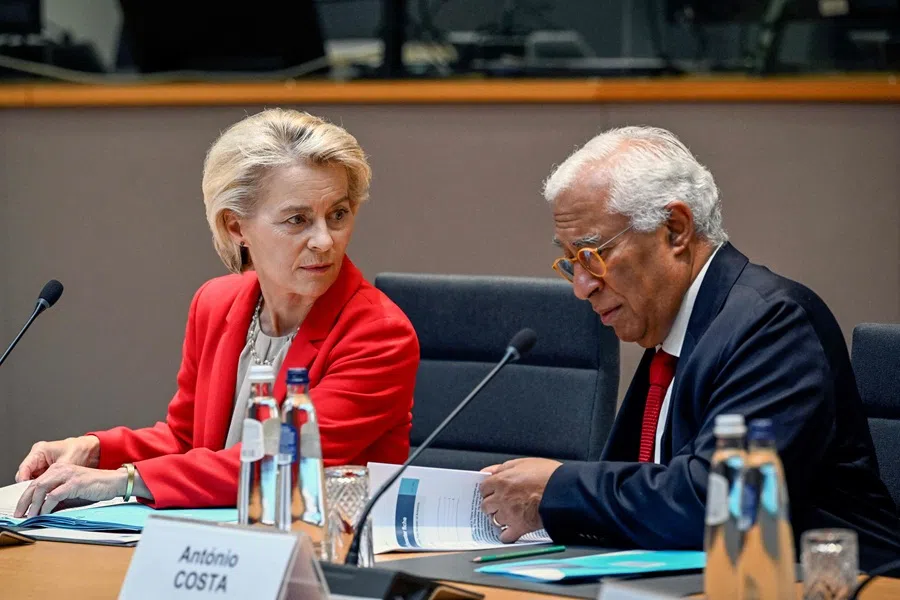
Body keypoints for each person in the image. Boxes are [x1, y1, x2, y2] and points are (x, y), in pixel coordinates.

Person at [480, 126, 900, 569]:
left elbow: (717, 506)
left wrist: (556, 489)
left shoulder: (771, 323)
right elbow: (642, 489)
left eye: (591, 255)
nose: (581, 287)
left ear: (675, 230)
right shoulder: (675, 330)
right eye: (571, 262)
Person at [14, 109, 419, 516]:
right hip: (214, 547)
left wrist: (125, 479)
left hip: (322, 552)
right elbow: (186, 440)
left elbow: (281, 463)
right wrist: (93, 449)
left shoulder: (379, 334)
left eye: (338, 214)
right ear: (235, 227)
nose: (324, 240)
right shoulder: (216, 303)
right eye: (298, 219)